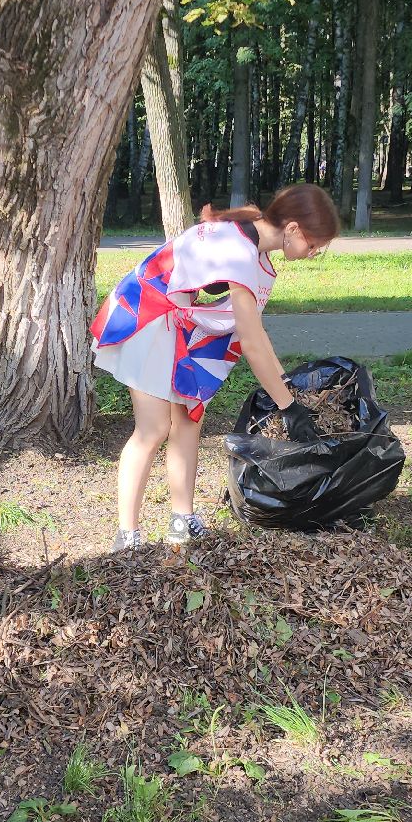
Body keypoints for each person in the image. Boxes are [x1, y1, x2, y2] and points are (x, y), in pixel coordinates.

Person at [91, 184, 340, 550]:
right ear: (292, 228)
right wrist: (287, 407)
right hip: (146, 316)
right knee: (152, 428)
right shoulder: (240, 253)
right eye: (314, 244)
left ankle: (182, 519)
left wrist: (288, 386)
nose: (314, 253)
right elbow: (251, 344)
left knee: (188, 419)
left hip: (176, 324)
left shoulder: (253, 242)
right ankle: (127, 536)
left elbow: (256, 333)